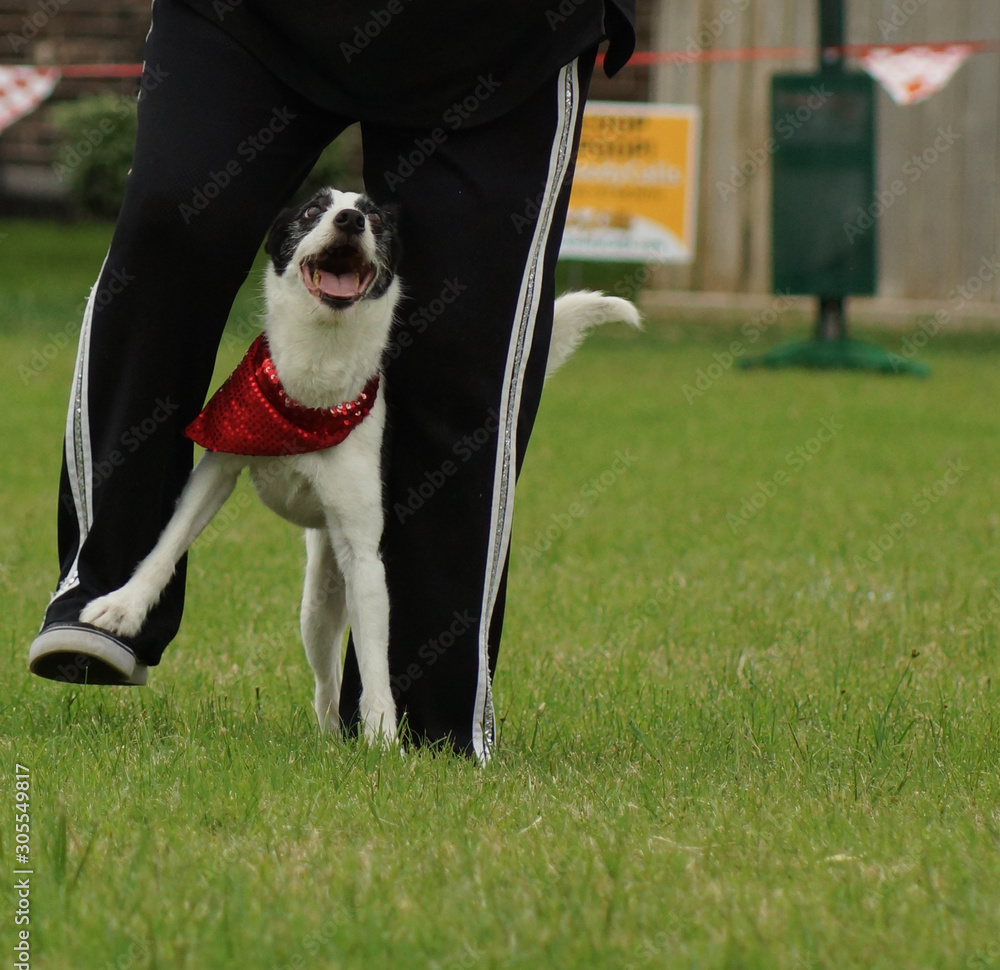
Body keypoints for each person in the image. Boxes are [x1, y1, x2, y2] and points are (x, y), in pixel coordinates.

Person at [28, 0, 636, 761]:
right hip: (251, 15)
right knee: (171, 220)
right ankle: (105, 591)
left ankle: (417, 713)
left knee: (464, 339)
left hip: (497, 36)